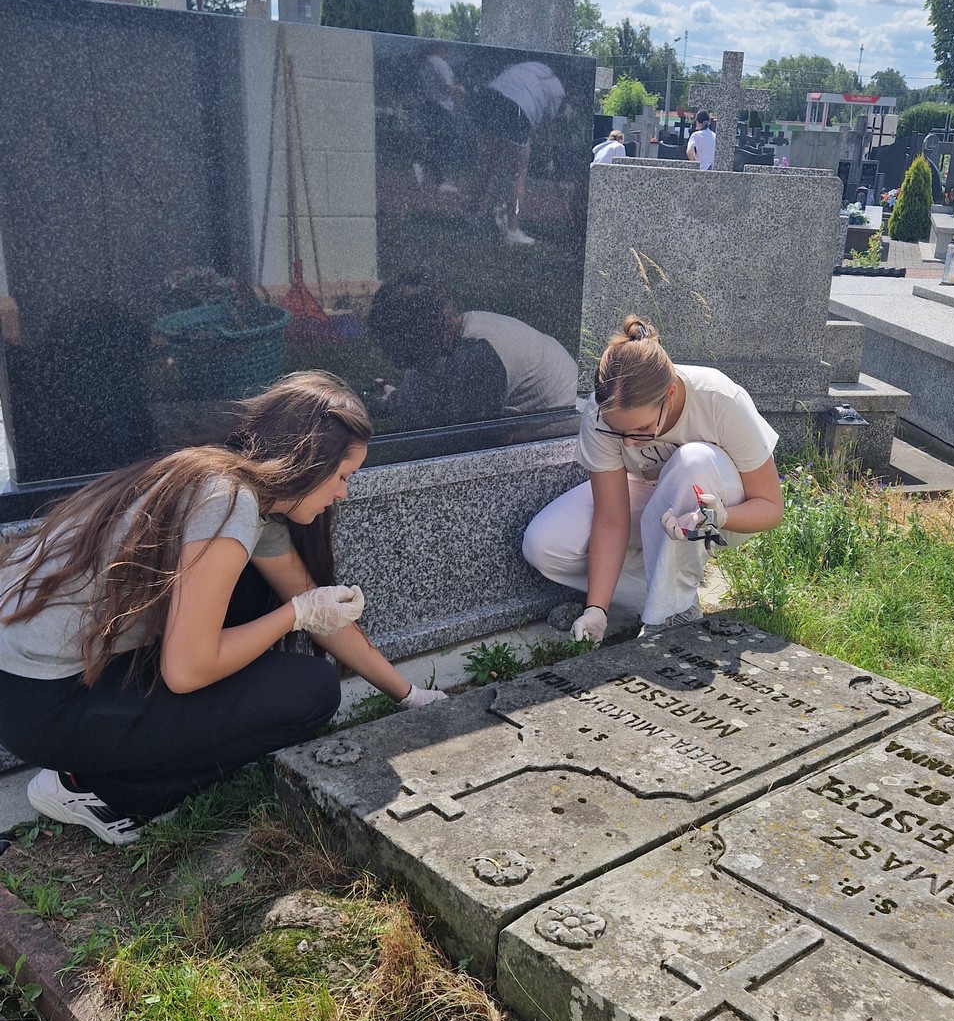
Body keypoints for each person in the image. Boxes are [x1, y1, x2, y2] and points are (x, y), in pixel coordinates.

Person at [0, 371, 446, 846]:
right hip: (45, 702)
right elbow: (187, 670)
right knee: (312, 691)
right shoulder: (227, 501)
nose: (343, 494)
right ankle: (93, 789)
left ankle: (112, 758)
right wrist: (295, 615)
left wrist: (409, 695)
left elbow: (318, 609)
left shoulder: (239, 489)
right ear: (307, 461)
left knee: (256, 599)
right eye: (342, 476)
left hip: (50, 679)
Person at [522, 316, 784, 639]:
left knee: (692, 461)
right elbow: (611, 517)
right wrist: (596, 609)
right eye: (618, 431)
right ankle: (672, 602)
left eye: (642, 429)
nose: (628, 443)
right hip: (652, 498)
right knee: (544, 545)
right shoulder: (600, 413)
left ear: (670, 394)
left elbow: (771, 507)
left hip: (724, 508)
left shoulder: (719, 399)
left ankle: (666, 616)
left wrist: (720, 516)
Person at [369, 271, 577, 426]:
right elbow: (427, 385)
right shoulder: (451, 337)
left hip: (558, 431)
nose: (396, 361)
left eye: (397, 348)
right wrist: (393, 400)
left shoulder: (476, 358)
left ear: (420, 335)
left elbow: (465, 445)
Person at [471, 60, 566, 245]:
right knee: (517, 175)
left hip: (489, 98)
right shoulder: (557, 88)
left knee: (485, 165)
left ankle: (471, 214)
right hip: (516, 109)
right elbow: (546, 126)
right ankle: (512, 231)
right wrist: (548, 156)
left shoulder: (529, 65)